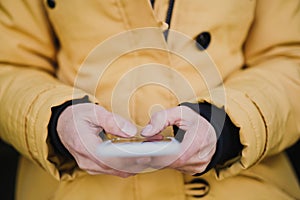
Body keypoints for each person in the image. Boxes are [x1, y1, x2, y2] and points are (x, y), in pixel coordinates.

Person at [0, 0, 299, 199]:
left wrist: (224, 127)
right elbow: (9, 64)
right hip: (74, 188)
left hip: (241, 184)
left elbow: (289, 57)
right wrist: (56, 119)